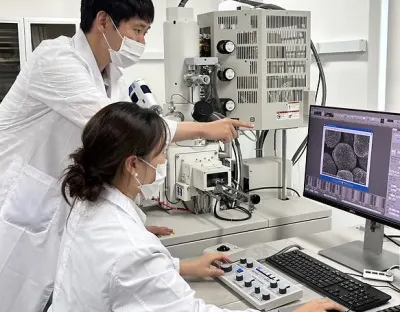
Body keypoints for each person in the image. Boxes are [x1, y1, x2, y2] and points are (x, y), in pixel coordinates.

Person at [0, 0, 253, 311]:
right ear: (104, 21)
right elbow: (122, 128)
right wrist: (207, 130)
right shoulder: (56, 60)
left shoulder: (112, 77)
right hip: (8, 200)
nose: (142, 41)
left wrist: (131, 225)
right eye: (137, 30)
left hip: (52, 200)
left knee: (48, 287)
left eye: (146, 32)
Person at [51, 102, 343, 312]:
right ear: (132, 165)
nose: (164, 161)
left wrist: (181, 266)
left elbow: (124, 279)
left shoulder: (86, 202)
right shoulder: (131, 248)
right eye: (160, 153)